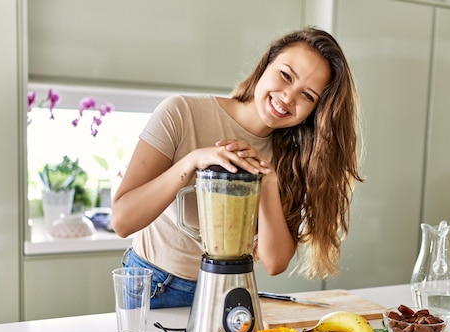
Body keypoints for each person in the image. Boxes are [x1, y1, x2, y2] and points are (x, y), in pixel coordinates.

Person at [111, 27, 364, 308]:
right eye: (285, 75)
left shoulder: (294, 157)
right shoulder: (181, 113)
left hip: (228, 291)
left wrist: (267, 182)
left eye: (307, 95)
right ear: (267, 63)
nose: (288, 97)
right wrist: (192, 161)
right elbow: (122, 221)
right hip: (156, 286)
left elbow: (275, 262)